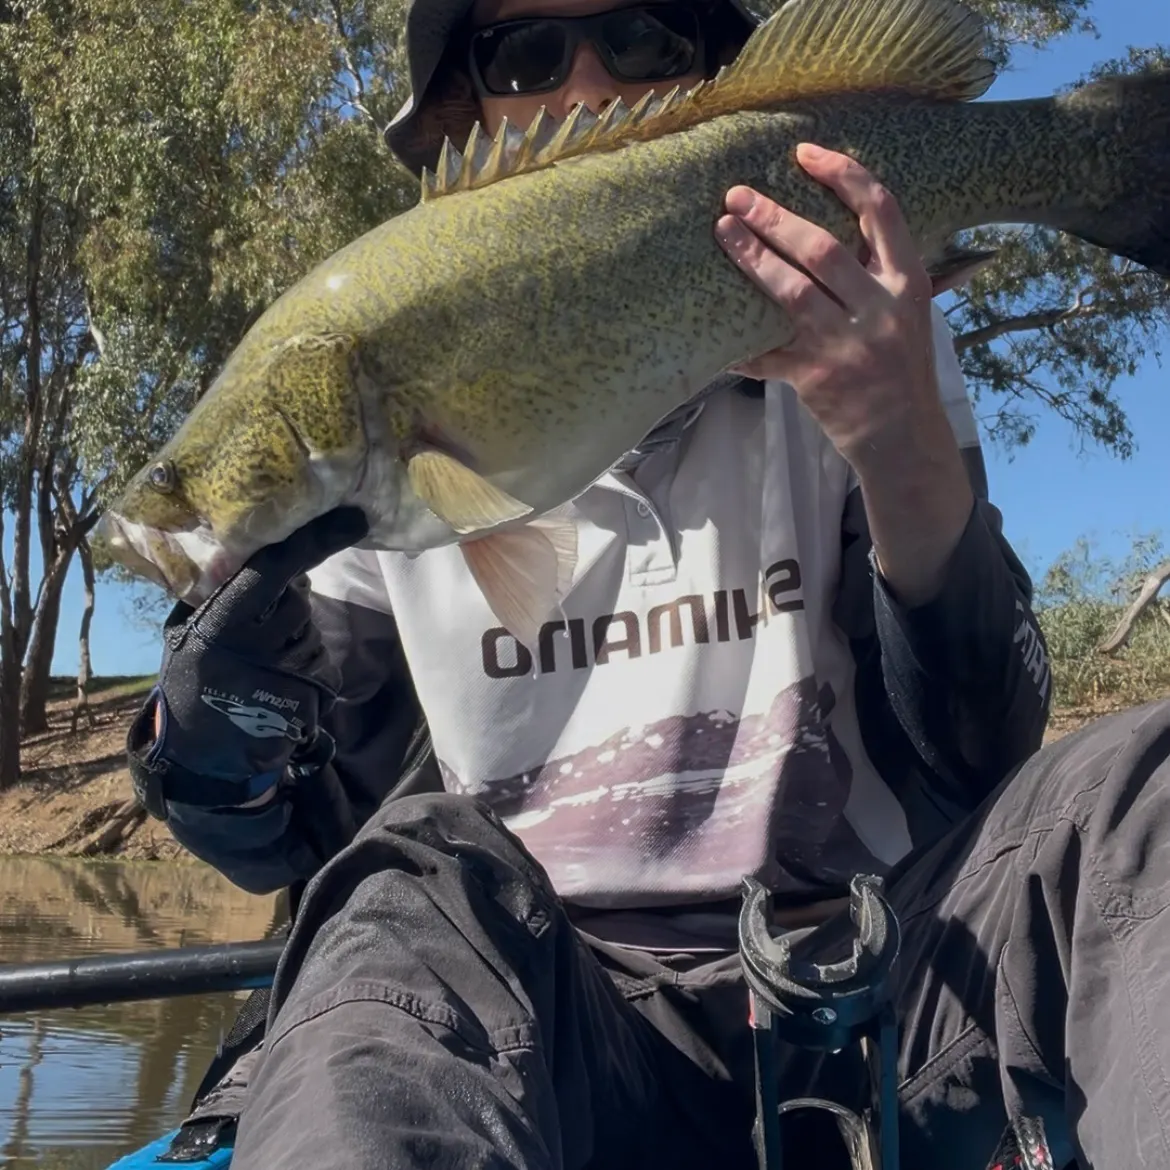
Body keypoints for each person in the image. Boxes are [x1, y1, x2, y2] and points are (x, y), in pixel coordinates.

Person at [122, 0, 1170, 1166]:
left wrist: (900, 447)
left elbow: (980, 752)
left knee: (1150, 795)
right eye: (523, 53)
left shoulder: (862, 337)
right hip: (547, 1036)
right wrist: (216, 731)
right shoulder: (380, 462)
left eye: (643, 37)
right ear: (471, 110)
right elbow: (315, 840)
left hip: (882, 1003)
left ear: (711, 72)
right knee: (393, 901)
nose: (583, 87)